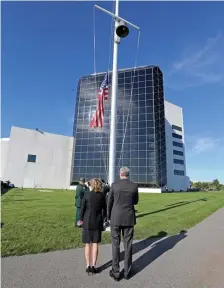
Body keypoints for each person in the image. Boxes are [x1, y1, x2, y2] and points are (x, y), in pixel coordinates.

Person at [107, 167, 139, 281]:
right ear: (128, 174)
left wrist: (108, 216)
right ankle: (127, 272)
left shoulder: (114, 185)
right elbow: (135, 201)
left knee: (115, 245)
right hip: (128, 218)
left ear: (120, 173)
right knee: (128, 245)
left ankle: (116, 272)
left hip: (115, 217)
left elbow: (109, 202)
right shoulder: (134, 186)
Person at [80, 178, 107, 275]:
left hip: (87, 221)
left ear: (91, 185)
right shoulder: (102, 196)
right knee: (95, 243)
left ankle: (88, 265)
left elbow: (82, 209)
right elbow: (105, 210)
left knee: (87, 244)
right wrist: (104, 220)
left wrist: (80, 220)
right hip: (97, 222)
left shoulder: (87, 194)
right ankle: (93, 266)